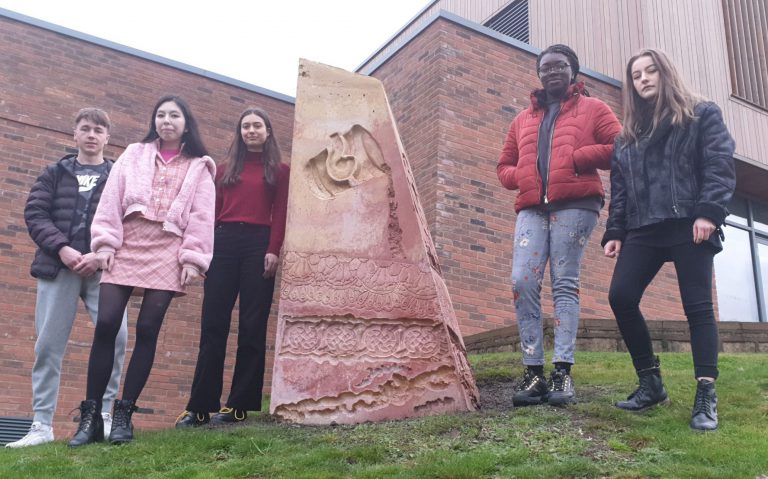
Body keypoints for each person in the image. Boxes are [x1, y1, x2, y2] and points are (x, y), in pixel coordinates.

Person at [68, 96, 216, 446]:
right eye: (161, 115)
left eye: (174, 115)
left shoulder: (199, 166)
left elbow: (201, 216)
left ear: (185, 123)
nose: (167, 120)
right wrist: (103, 243)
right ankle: (90, 420)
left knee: (148, 328)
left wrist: (192, 259)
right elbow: (111, 199)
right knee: (106, 324)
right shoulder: (133, 153)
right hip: (127, 243)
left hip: (168, 248)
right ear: (155, 120)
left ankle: (124, 416)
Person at [602, 48, 735, 431]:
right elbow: (621, 190)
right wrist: (616, 231)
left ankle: (706, 394)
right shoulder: (626, 138)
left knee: (697, 308)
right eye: (636, 75)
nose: (643, 79)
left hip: (689, 222)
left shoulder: (700, 115)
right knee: (621, 296)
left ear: (665, 73)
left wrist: (709, 211)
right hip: (644, 228)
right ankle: (651, 383)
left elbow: (719, 164)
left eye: (650, 71)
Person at [497, 44, 621, 407]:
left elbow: (621, 146)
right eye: (546, 67)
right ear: (539, 74)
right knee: (522, 280)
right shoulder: (522, 119)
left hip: (577, 204)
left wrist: (579, 156)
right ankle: (533, 371)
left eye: (560, 66)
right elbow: (504, 165)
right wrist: (521, 174)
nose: (552, 72)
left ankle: (562, 371)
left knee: (564, 283)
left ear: (573, 71)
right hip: (532, 208)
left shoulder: (594, 108)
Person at [7, 108, 128, 448]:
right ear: (75, 134)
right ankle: (41, 426)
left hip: (103, 269)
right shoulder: (54, 173)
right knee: (47, 346)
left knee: (117, 339)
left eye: (98, 129)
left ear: (107, 137)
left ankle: (103, 417)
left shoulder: (120, 175)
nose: (92, 135)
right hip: (58, 267)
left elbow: (129, 220)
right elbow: (35, 213)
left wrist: (99, 253)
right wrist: (62, 249)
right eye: (85, 129)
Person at [175, 107, 289, 428]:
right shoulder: (223, 170)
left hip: (258, 246)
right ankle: (199, 407)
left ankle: (239, 404)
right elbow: (209, 214)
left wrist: (273, 250)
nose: (251, 130)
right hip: (223, 244)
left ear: (267, 131)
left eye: (257, 126)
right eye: (246, 126)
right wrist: (205, 252)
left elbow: (280, 213)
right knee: (213, 325)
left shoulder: (280, 171)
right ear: (240, 132)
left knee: (252, 327)